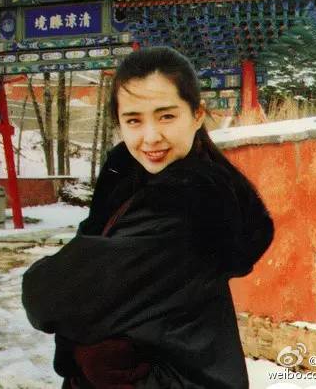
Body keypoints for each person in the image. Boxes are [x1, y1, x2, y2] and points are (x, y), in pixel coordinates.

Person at [22, 46, 275, 388]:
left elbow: (46, 298)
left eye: (166, 116)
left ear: (197, 115)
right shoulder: (133, 180)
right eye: (134, 120)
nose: (151, 137)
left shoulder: (187, 204)